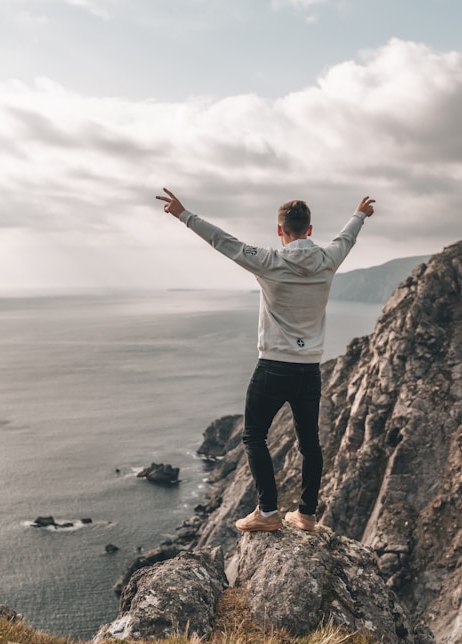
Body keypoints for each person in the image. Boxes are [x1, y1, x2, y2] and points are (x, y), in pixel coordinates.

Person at [156, 188, 375, 532]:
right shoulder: (330, 258)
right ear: (310, 229)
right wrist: (360, 213)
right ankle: (305, 514)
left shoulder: (269, 260)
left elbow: (223, 241)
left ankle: (269, 512)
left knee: (255, 436)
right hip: (309, 370)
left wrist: (184, 214)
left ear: (280, 230)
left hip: (273, 366)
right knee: (310, 444)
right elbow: (347, 237)